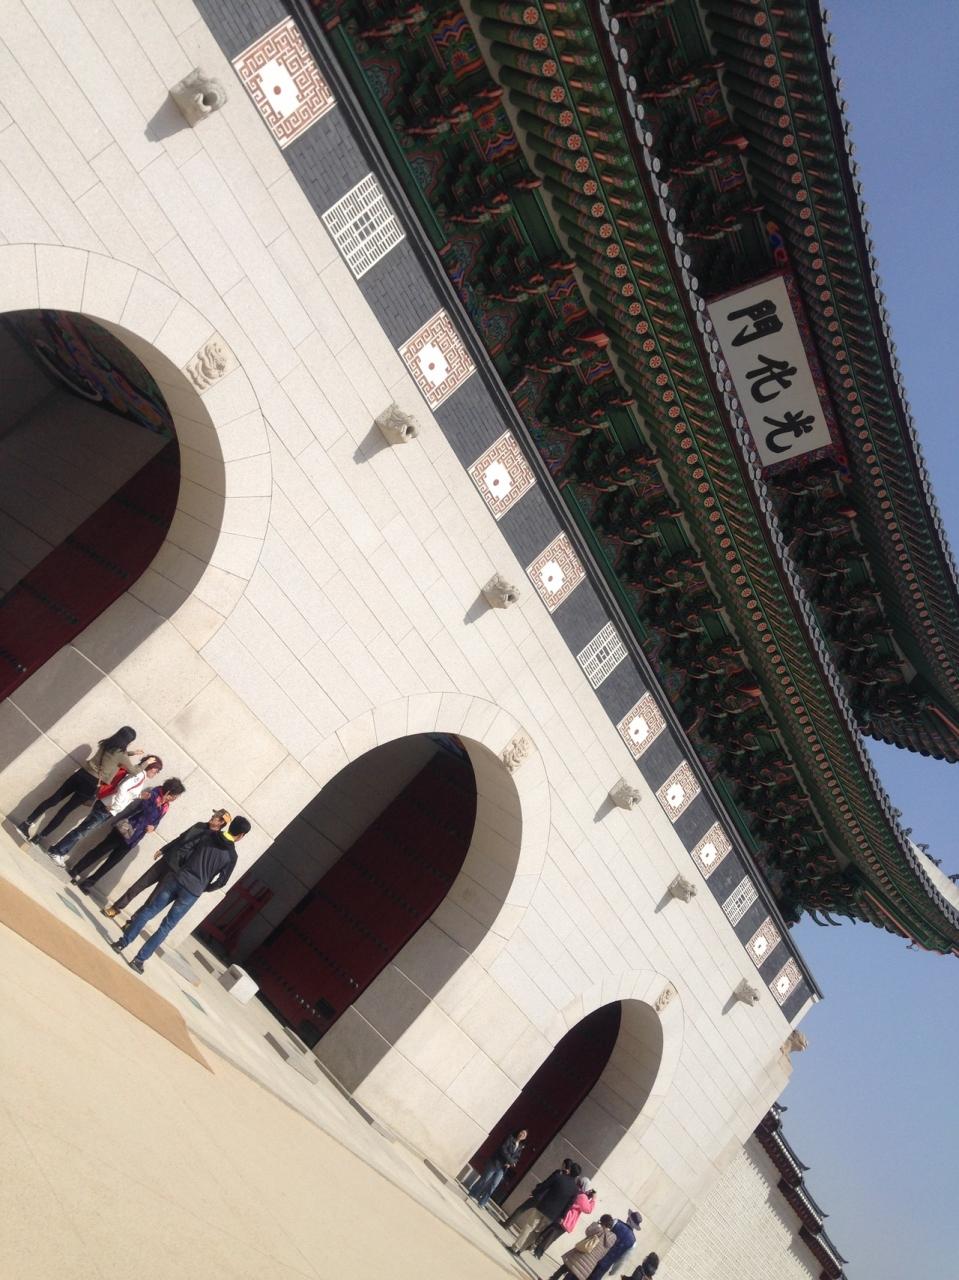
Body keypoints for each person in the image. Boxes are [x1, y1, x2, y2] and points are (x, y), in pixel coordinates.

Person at [112, 815, 249, 974]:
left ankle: (122, 943)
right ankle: (138, 960)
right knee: (166, 926)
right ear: (241, 836)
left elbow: (187, 848)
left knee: (149, 910)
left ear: (230, 826)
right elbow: (222, 882)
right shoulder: (232, 856)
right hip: (192, 891)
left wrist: (182, 868)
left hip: (178, 878)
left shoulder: (208, 835)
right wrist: (204, 887)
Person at [15, 726, 142, 847]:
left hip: (81, 774)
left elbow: (114, 755)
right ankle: (39, 837)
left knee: (53, 799)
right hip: (92, 784)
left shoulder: (105, 744)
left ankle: (26, 823)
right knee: (65, 811)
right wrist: (144, 764)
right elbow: (133, 771)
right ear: (128, 741)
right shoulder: (121, 755)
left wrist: (131, 753)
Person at [103, 808, 231, 920]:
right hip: (167, 859)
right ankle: (116, 908)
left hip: (177, 871)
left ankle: (132, 922)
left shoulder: (214, 840)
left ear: (221, 822)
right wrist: (164, 849)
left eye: (216, 816)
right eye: (214, 814)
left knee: (153, 899)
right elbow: (181, 838)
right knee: (139, 884)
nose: (212, 816)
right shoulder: (199, 825)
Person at [66, 777, 185, 893]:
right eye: (175, 796)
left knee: (111, 862)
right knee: (100, 851)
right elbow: (142, 809)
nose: (175, 799)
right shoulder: (152, 794)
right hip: (124, 829)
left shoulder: (165, 807)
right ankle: (76, 870)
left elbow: (156, 821)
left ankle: (89, 883)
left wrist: (153, 827)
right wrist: (157, 803)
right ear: (169, 792)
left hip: (134, 838)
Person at [47, 755, 163, 864]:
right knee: (82, 831)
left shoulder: (140, 775)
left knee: (83, 830)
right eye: (157, 771)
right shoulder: (139, 775)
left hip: (108, 807)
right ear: (152, 767)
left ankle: (58, 850)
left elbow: (127, 791)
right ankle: (57, 851)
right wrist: (116, 805)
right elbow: (123, 788)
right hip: (107, 807)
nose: (156, 773)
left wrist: (138, 796)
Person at [510, 1161, 581, 1254]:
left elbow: (545, 1186)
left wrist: (535, 1192)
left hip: (543, 1206)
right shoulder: (575, 1190)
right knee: (536, 1232)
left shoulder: (559, 1177)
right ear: (577, 1176)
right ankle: (521, 1250)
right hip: (553, 1215)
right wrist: (562, 1217)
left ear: (570, 1169)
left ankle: (515, 1247)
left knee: (529, 1226)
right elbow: (569, 1205)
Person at [534, 1176, 596, 1259]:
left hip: (560, 1213)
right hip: (567, 1219)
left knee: (548, 1231)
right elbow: (588, 1210)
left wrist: (587, 1197)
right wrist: (593, 1199)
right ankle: (539, 1251)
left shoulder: (575, 1190)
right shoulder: (582, 1197)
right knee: (552, 1237)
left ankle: (535, 1244)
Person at [505, 1158, 578, 1228]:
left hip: (540, 1196)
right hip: (547, 1204)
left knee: (522, 1209)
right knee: (535, 1224)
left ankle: (507, 1224)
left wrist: (535, 1191)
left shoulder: (559, 1173)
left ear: (564, 1165)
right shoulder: (567, 1181)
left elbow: (546, 1183)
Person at [468, 1130, 527, 1209]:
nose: (522, 1135)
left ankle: (482, 1202)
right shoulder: (510, 1138)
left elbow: (516, 1158)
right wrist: (510, 1161)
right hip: (495, 1162)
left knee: (494, 1185)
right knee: (485, 1179)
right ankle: (473, 1193)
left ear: (525, 1138)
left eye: (524, 1135)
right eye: (522, 1132)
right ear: (519, 1132)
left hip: (503, 1168)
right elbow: (503, 1149)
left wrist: (511, 1164)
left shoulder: (520, 1147)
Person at [549, 1214, 618, 1280]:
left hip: (581, 1256)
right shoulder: (612, 1238)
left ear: (602, 1221)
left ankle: (552, 1279)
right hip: (590, 1264)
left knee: (565, 1267)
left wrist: (595, 1224)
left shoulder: (599, 1229)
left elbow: (588, 1232)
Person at [589, 1211, 643, 1280]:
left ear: (628, 1218)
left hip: (594, 1255)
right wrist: (613, 1271)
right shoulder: (633, 1242)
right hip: (605, 1265)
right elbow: (622, 1260)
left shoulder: (616, 1222)